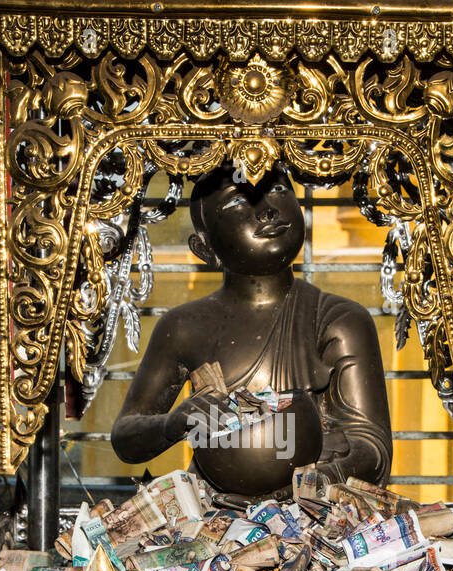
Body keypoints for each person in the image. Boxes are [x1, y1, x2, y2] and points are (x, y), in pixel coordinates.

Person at [110, 163, 392, 497]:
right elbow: (127, 437)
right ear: (204, 249)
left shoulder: (338, 319)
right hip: (216, 505)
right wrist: (173, 424)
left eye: (278, 190)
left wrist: (315, 482)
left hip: (315, 509)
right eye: (236, 203)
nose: (268, 211)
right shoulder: (184, 326)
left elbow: (372, 447)